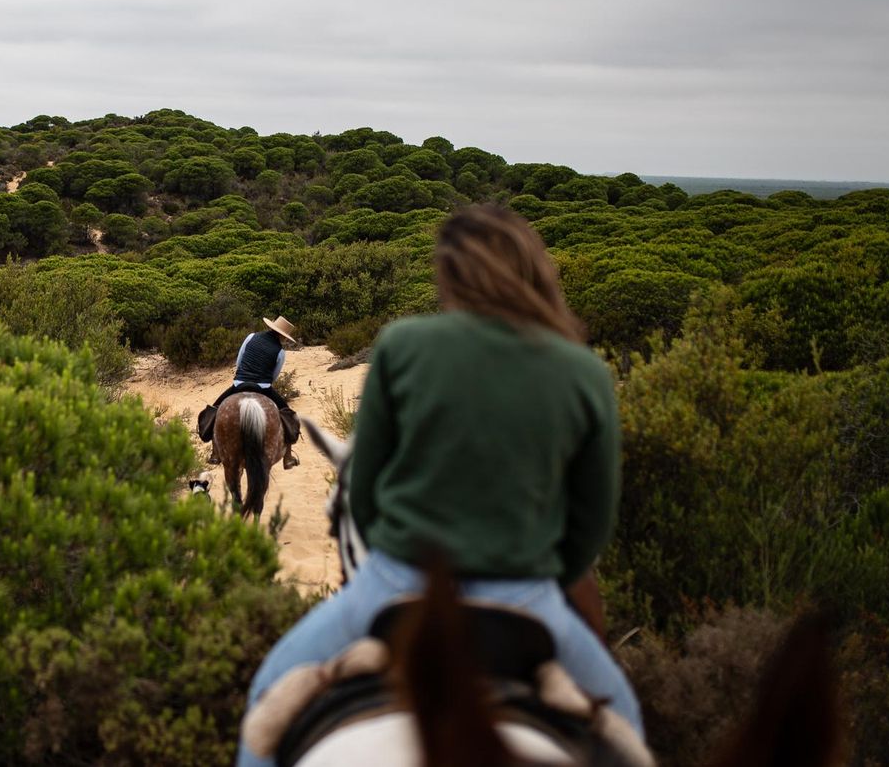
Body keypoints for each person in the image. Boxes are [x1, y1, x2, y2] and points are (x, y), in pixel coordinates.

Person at [237, 205, 642, 767]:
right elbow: (593, 522)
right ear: (534, 269)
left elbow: (367, 485)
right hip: (526, 592)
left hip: (399, 580)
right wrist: (544, 570)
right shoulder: (583, 371)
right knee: (625, 725)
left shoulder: (404, 344)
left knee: (269, 699)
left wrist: (386, 556)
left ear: (448, 273)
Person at [198, 316, 301, 468]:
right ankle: (288, 457)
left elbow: (239, 361)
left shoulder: (251, 337)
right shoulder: (280, 352)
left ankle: (215, 453)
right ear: (283, 336)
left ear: (271, 327)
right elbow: (274, 375)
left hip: (239, 384)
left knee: (215, 409)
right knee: (288, 414)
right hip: (264, 387)